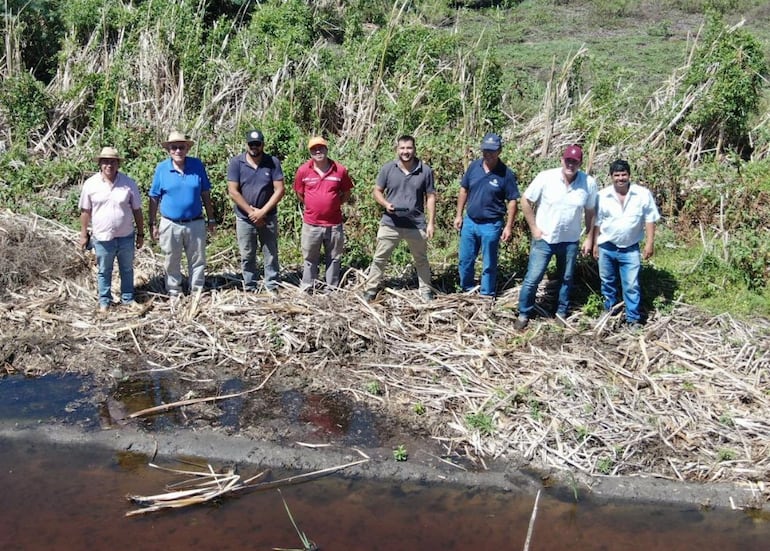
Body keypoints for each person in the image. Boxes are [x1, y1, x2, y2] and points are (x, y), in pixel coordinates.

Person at [516, 144, 597, 329]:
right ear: (562, 159)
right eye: (568, 160)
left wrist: (590, 237)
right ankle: (523, 313)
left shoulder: (588, 183)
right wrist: (534, 228)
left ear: (580, 163)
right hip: (544, 239)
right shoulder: (546, 177)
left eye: (574, 162)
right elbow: (526, 200)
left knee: (566, 278)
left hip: (570, 240)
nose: (570, 165)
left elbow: (590, 210)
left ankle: (561, 311)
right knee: (533, 278)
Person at [363, 134, 436, 302]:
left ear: (414, 149)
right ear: (397, 149)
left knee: (421, 260)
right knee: (380, 258)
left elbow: (430, 197)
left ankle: (426, 291)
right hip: (391, 222)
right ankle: (370, 289)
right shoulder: (388, 168)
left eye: (409, 148)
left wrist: (431, 223)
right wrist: (385, 204)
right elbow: (377, 191)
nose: (406, 151)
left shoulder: (425, 170)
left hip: (416, 224)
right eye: (402, 148)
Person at [592, 159, 660, 328]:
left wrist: (649, 243)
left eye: (624, 175)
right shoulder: (602, 196)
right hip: (607, 246)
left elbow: (650, 219)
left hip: (630, 248)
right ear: (611, 177)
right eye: (617, 175)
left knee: (631, 284)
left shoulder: (642, 194)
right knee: (607, 282)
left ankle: (633, 319)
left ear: (629, 175)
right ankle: (610, 311)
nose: (620, 178)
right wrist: (594, 244)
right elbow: (597, 222)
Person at [148, 131, 217, 296]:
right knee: (171, 260)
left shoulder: (197, 165)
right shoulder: (162, 169)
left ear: (187, 149)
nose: (178, 151)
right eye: (174, 148)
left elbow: (205, 193)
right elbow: (154, 197)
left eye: (181, 147)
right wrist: (152, 223)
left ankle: (197, 290)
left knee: (198, 260)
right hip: (170, 224)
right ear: (169, 150)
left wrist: (211, 218)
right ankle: (174, 291)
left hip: (195, 222)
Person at [454, 133, 520, 297]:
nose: (488, 154)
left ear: (499, 151)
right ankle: (467, 289)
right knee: (465, 259)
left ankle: (486, 294)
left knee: (489, 263)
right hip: (470, 221)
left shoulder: (506, 174)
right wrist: (459, 215)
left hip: (491, 225)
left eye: (492, 151)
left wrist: (508, 226)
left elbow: (512, 201)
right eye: (485, 150)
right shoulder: (474, 167)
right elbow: (464, 190)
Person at [79, 147, 144, 312]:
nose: (109, 165)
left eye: (113, 162)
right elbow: (85, 211)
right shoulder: (90, 184)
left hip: (126, 236)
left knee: (127, 269)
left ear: (118, 164)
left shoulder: (128, 184)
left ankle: (128, 298)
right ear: (100, 164)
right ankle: (104, 301)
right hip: (102, 237)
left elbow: (137, 210)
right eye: (105, 161)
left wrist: (141, 234)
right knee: (104, 270)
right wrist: (83, 234)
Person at [227, 129, 285, 293]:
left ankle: (272, 284)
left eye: (257, 144)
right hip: (244, 218)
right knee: (247, 254)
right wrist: (251, 212)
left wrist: (262, 212)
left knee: (271, 252)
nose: (254, 147)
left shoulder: (272, 162)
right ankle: (250, 285)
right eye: (251, 144)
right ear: (246, 144)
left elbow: (279, 190)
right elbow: (233, 191)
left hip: (268, 217)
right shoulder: (236, 163)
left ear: (262, 144)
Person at [293, 136, 354, 292]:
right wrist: (314, 205)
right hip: (311, 224)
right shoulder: (303, 170)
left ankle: (331, 288)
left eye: (321, 148)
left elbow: (346, 193)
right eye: (314, 149)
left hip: (334, 224)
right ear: (310, 152)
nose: (318, 151)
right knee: (309, 258)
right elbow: (300, 193)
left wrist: (334, 204)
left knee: (334, 258)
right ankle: (308, 287)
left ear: (327, 149)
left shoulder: (339, 170)